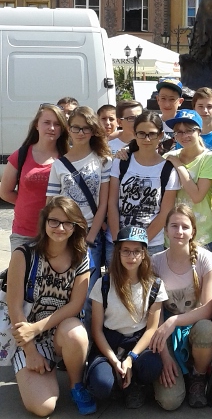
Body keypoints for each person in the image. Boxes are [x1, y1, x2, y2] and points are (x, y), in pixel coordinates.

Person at [6, 196, 94, 417]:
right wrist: (31, 351)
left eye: (67, 223)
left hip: (59, 332)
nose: (60, 228)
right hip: (27, 336)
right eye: (54, 221)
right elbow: (14, 308)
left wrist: (37, 328)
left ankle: (75, 384)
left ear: (75, 227)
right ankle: (38, 369)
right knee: (43, 407)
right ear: (44, 222)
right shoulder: (24, 254)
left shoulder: (81, 256)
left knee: (76, 334)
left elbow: (75, 305)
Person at [86, 225, 167, 409]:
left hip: (137, 344)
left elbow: (151, 329)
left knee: (152, 366)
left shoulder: (155, 285)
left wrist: (130, 358)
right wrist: (115, 361)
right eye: (126, 251)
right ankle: (116, 380)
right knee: (101, 386)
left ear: (144, 254)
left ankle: (136, 384)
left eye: (137, 251)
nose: (132, 256)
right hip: (110, 343)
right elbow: (97, 330)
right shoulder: (104, 284)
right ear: (118, 252)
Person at [150, 205, 212, 410]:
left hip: (194, 327)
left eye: (185, 227)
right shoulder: (155, 262)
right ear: (165, 230)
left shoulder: (205, 259)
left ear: (193, 231)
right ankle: (173, 371)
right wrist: (164, 356)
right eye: (174, 226)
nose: (179, 231)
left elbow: (208, 308)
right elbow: (155, 314)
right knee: (170, 402)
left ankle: (198, 375)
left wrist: (176, 320)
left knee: (207, 328)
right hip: (165, 333)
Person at [46, 106, 112, 291]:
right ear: (69, 129)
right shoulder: (59, 165)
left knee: (88, 290)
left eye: (86, 128)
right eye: (76, 128)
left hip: (90, 232)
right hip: (63, 232)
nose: (81, 133)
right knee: (63, 288)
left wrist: (90, 238)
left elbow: (104, 203)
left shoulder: (104, 160)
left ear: (93, 130)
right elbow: (50, 203)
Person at [108, 111, 180, 262]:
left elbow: (165, 213)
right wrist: (118, 241)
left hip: (150, 245)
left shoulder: (168, 169)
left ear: (160, 136)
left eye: (152, 134)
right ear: (135, 134)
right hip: (116, 242)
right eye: (141, 134)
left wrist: (140, 244)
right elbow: (112, 203)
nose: (147, 139)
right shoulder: (121, 162)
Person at [0, 103, 69, 254]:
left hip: (57, 233)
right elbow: (5, 192)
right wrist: (26, 203)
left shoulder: (67, 158)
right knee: (22, 270)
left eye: (57, 124)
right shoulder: (21, 154)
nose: (52, 128)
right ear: (37, 125)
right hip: (23, 233)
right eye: (46, 122)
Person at [164, 110, 212, 254]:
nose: (184, 136)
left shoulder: (209, 158)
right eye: (179, 132)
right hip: (173, 234)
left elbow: (197, 196)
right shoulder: (168, 157)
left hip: (203, 235)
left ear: (199, 131)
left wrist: (179, 165)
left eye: (189, 130)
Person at [155, 78, 184, 144]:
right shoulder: (152, 123)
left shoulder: (185, 125)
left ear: (180, 101)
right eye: (163, 98)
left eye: (172, 99)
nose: (167, 104)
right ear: (158, 99)